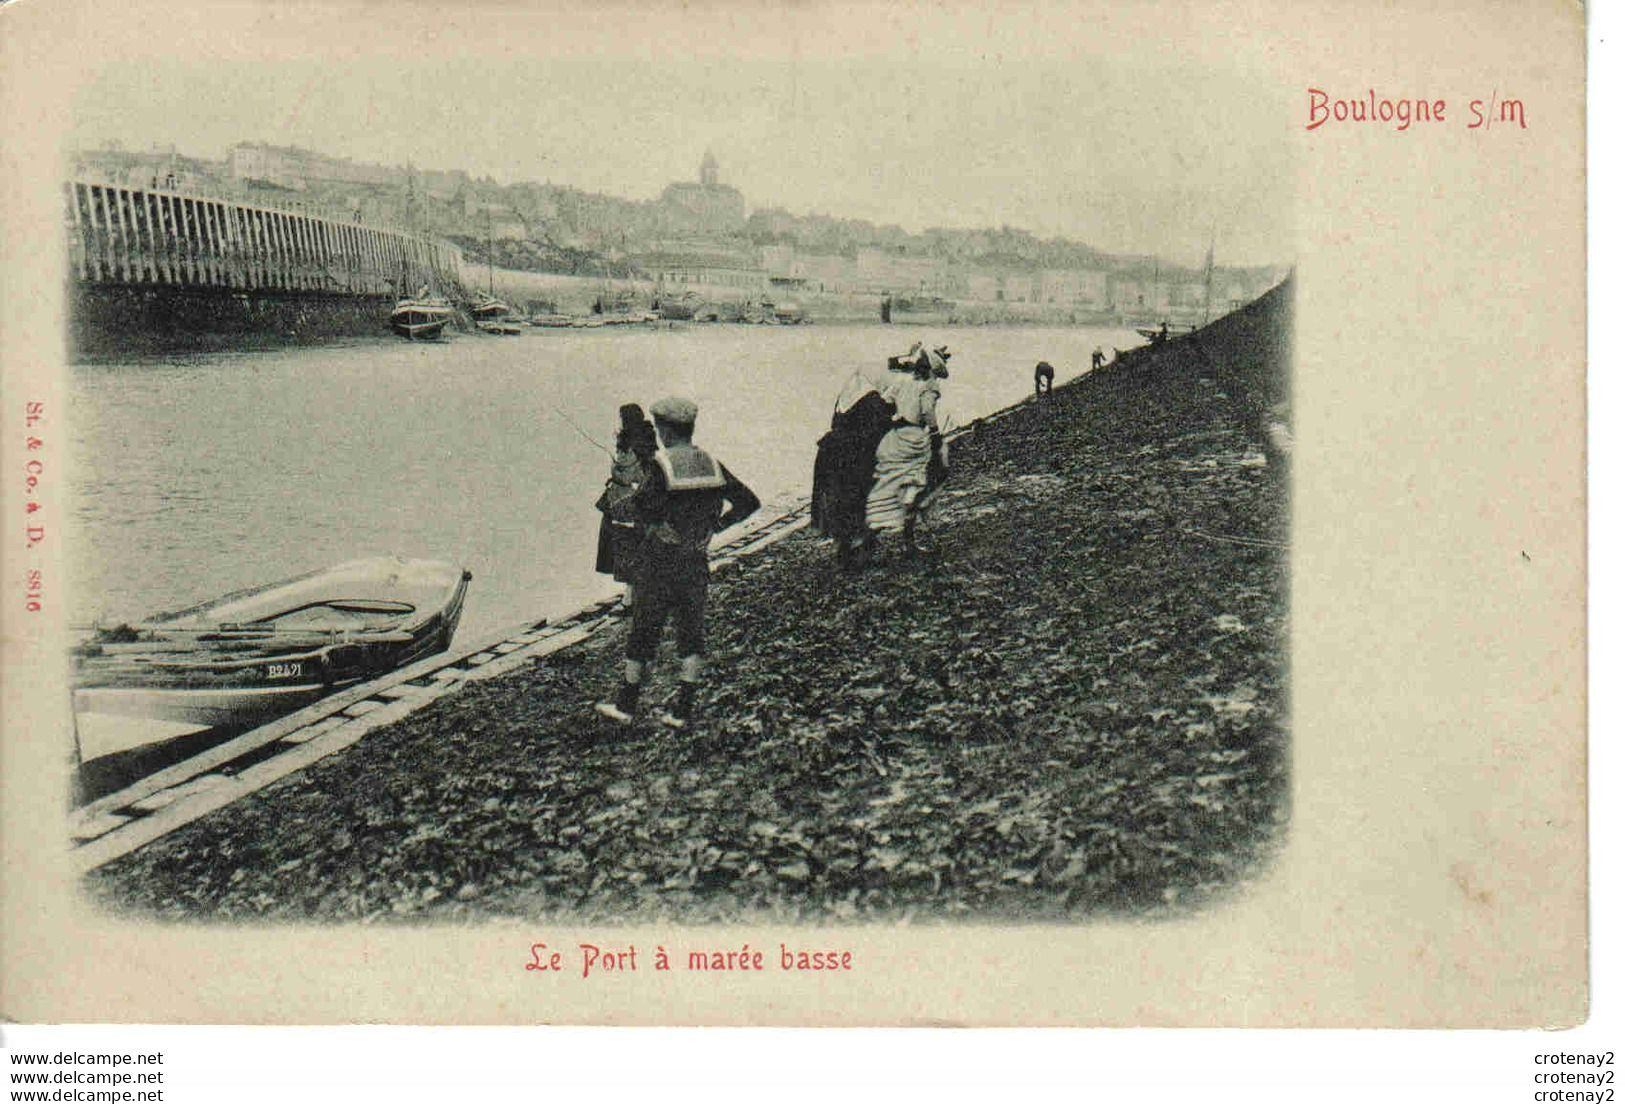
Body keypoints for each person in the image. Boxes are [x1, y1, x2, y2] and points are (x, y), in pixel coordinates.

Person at [595, 396, 760, 729]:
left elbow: (639, 508)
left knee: (643, 633)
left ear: (665, 430)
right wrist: (717, 526)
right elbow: (749, 502)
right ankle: (682, 709)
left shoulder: (662, 465)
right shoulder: (712, 463)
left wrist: (618, 491)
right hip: (696, 560)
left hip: (659, 563)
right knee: (690, 635)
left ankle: (626, 706)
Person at [865, 344, 949, 559]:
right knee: (913, 489)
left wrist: (896, 416)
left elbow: (885, 401)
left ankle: (869, 539)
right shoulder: (930, 386)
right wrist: (935, 433)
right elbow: (927, 410)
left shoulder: (903, 380)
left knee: (887, 486)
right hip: (914, 438)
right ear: (932, 370)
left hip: (894, 437)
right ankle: (908, 542)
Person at [812, 368, 898, 570]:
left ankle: (845, 554)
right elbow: (879, 432)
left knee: (840, 506)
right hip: (853, 460)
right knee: (861, 504)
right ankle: (859, 557)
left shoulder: (844, 403)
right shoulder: (873, 401)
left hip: (831, 458)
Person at [594, 403, 658, 603]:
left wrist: (616, 469)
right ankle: (637, 592)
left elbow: (627, 471)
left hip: (625, 501)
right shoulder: (647, 439)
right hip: (638, 498)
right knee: (636, 543)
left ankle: (630, 597)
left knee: (625, 544)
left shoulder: (631, 445)